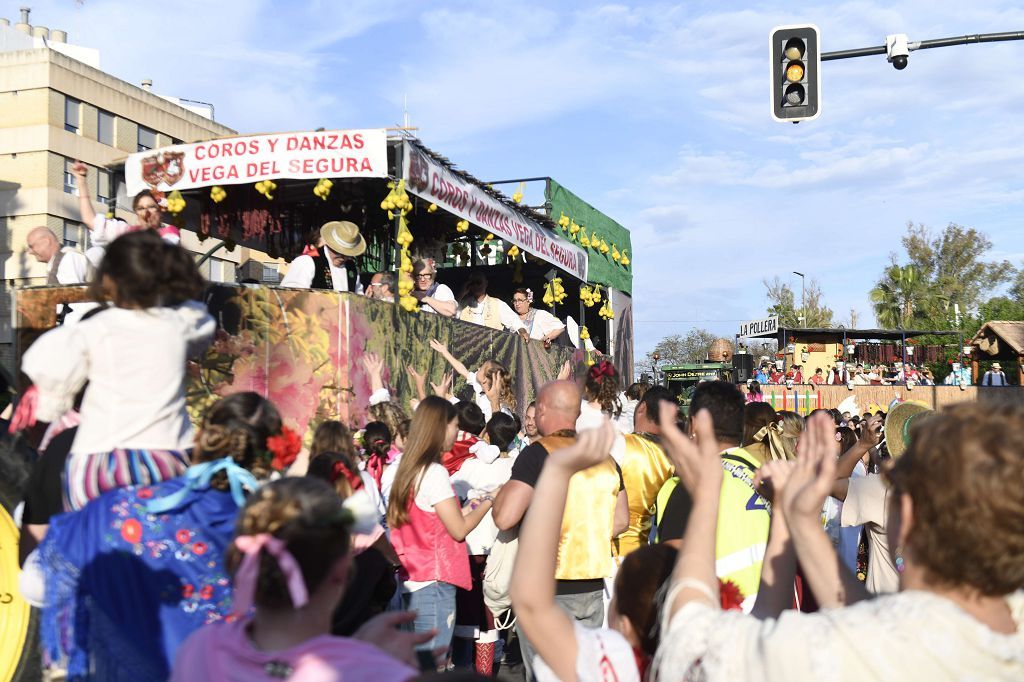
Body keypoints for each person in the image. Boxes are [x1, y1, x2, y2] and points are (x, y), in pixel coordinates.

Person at [654, 403, 1024, 682]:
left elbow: (691, 645)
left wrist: (704, 495)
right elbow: (873, 620)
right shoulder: (1009, 622)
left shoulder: (848, 649)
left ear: (907, 513)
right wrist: (795, 518)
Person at [37, 393, 293, 680]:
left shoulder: (122, 510)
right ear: (272, 455)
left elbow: (36, 583)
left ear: (202, 436)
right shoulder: (277, 536)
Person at [19, 231, 215, 510]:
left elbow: (46, 383)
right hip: (166, 459)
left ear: (109, 278)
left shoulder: (90, 330)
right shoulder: (181, 324)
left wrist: (50, 406)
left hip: (99, 462)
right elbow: (198, 316)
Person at [170, 477, 424, 681]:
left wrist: (357, 651)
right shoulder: (373, 673)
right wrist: (367, 658)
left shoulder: (200, 648)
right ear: (342, 571)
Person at [511, 420, 679, 681]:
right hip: (597, 572)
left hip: (561, 578)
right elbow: (622, 520)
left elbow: (529, 602)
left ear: (624, 623)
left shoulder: (612, 658)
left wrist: (556, 472)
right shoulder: (679, 666)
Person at [492, 380, 627, 681]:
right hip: (592, 586)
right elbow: (620, 521)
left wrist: (498, 494)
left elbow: (505, 516)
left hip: (547, 589)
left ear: (541, 410)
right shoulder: (604, 458)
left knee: (545, 674)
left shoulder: (538, 453)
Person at [386, 397, 495, 657]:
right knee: (431, 666)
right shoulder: (434, 472)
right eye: (454, 425)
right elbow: (458, 529)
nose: (458, 432)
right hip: (433, 580)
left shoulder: (404, 467)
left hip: (410, 578)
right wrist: (490, 500)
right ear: (439, 427)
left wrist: (469, 506)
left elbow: (435, 518)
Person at [449, 412, 519, 676]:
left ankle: (463, 672)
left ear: (486, 434)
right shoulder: (516, 464)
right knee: (491, 618)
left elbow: (453, 497)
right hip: (500, 548)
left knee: (467, 617)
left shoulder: (470, 466)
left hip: (470, 547)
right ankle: (485, 672)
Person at [614, 386, 676, 558]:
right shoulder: (671, 459)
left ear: (641, 408)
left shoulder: (620, 444)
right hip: (641, 553)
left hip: (609, 553)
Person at [71, 160, 181, 245]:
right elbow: (90, 221)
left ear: (160, 211)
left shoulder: (169, 233)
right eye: (141, 208)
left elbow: (164, 250)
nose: (146, 212)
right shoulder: (127, 232)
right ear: (136, 213)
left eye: (151, 207)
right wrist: (81, 180)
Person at [428, 339, 516, 421]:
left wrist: (448, 397)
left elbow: (471, 418)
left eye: (481, 368)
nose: (478, 368)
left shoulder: (489, 407)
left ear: (484, 379)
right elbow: (463, 371)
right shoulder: (482, 386)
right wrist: (445, 352)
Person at [280, 221, 366, 293]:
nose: (342, 257)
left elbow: (357, 297)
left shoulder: (352, 268)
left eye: (347, 254)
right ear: (329, 245)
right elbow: (290, 295)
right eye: (337, 252)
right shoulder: (307, 262)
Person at [457, 272, 527, 337]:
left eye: (478, 282)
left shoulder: (497, 304)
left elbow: (514, 321)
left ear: (486, 283)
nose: (475, 286)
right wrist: (461, 294)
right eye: (472, 283)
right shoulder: (463, 304)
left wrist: (522, 331)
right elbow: (450, 316)